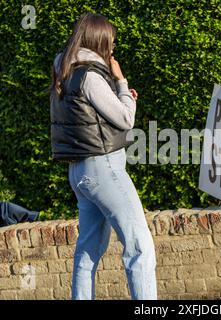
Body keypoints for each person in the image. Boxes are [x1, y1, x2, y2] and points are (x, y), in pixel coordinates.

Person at [49, 12, 157, 300]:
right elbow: (125, 119)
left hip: (79, 173)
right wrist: (121, 83)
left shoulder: (65, 71)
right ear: (99, 42)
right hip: (104, 170)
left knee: (88, 252)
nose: (113, 49)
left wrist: (122, 96)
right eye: (111, 43)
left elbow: (93, 115)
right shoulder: (91, 76)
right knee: (139, 246)